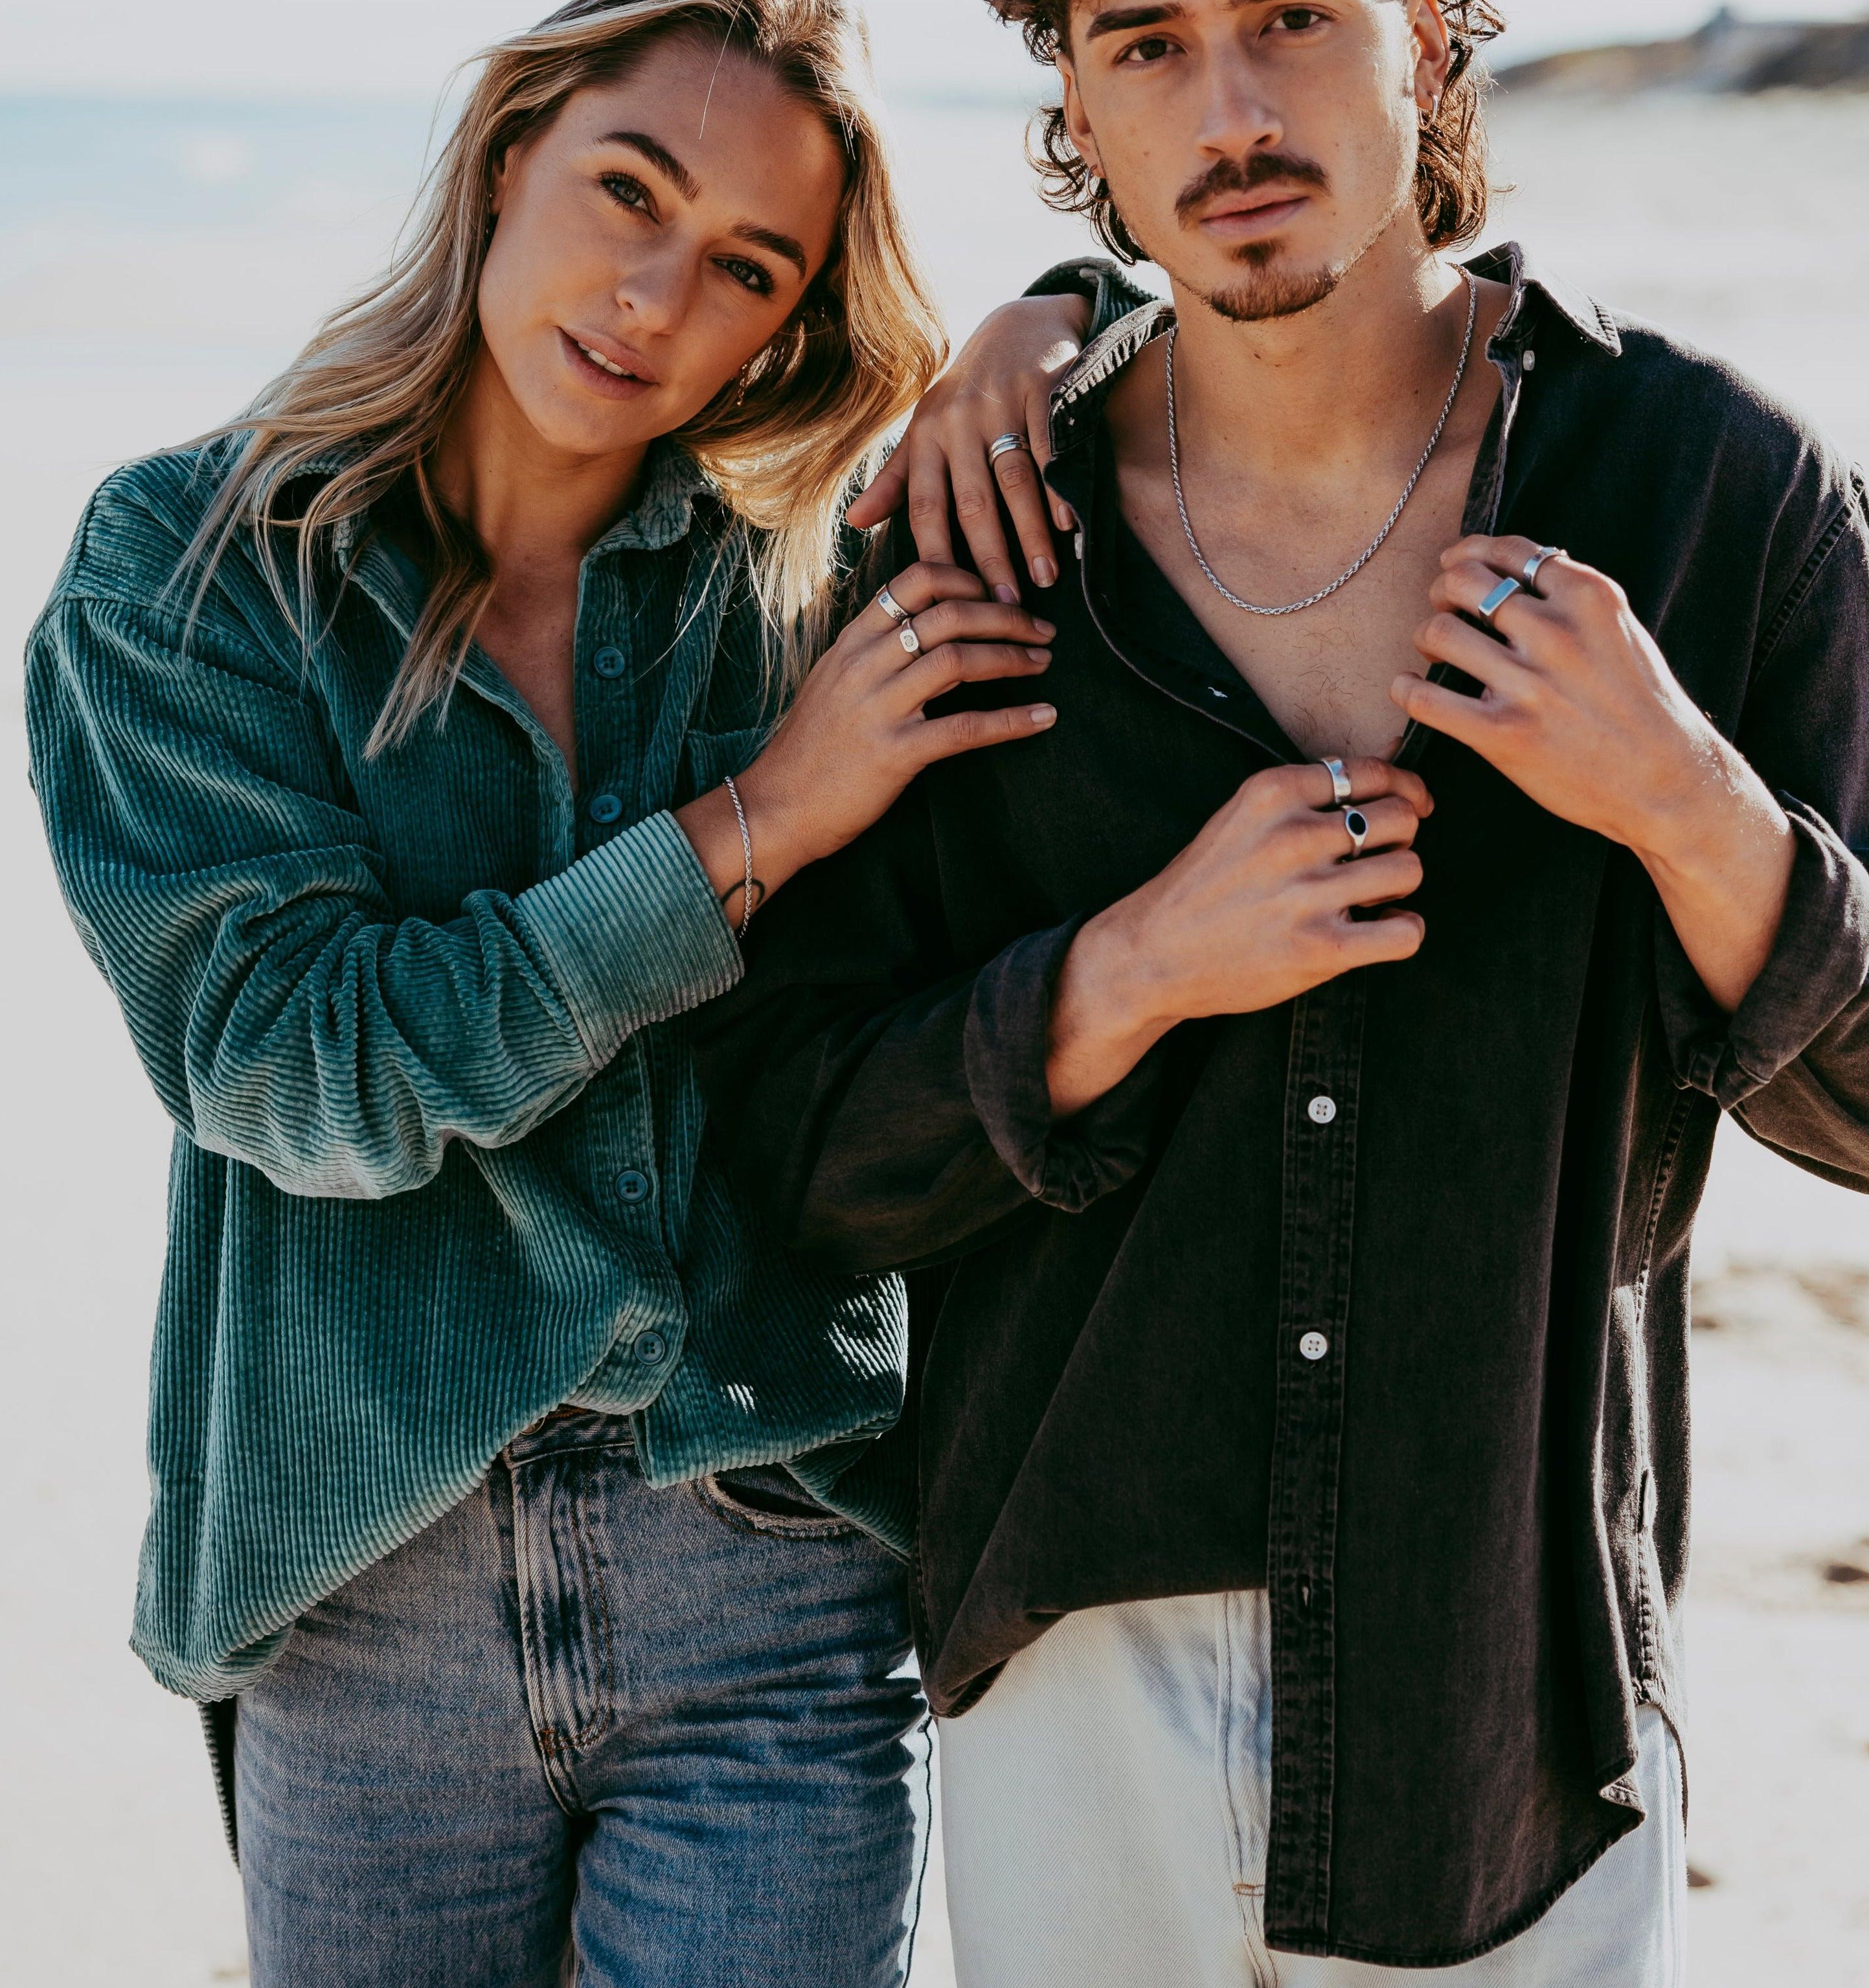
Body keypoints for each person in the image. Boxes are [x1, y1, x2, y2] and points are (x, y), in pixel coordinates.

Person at [691, 3, 1869, 1984]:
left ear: (1435, 41)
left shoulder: (1712, 495)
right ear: (1077, 106)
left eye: (1296, 16)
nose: (1229, 109)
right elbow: (790, 1158)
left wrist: (1683, 802)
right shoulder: (973, 544)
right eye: (1146, 41)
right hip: (1071, 1672)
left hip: (1512, 1693)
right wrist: (1123, 977)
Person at [23, 2, 1147, 1982]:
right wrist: (754, 825)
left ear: (788, 330)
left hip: (773, 1563)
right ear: (502, 162)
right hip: (361, 1587)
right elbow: (302, 1069)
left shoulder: (789, 595)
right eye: (628, 190)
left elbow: (1216, 359)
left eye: (746, 268)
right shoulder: (189, 572)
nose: (652, 298)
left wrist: (1047, 314)